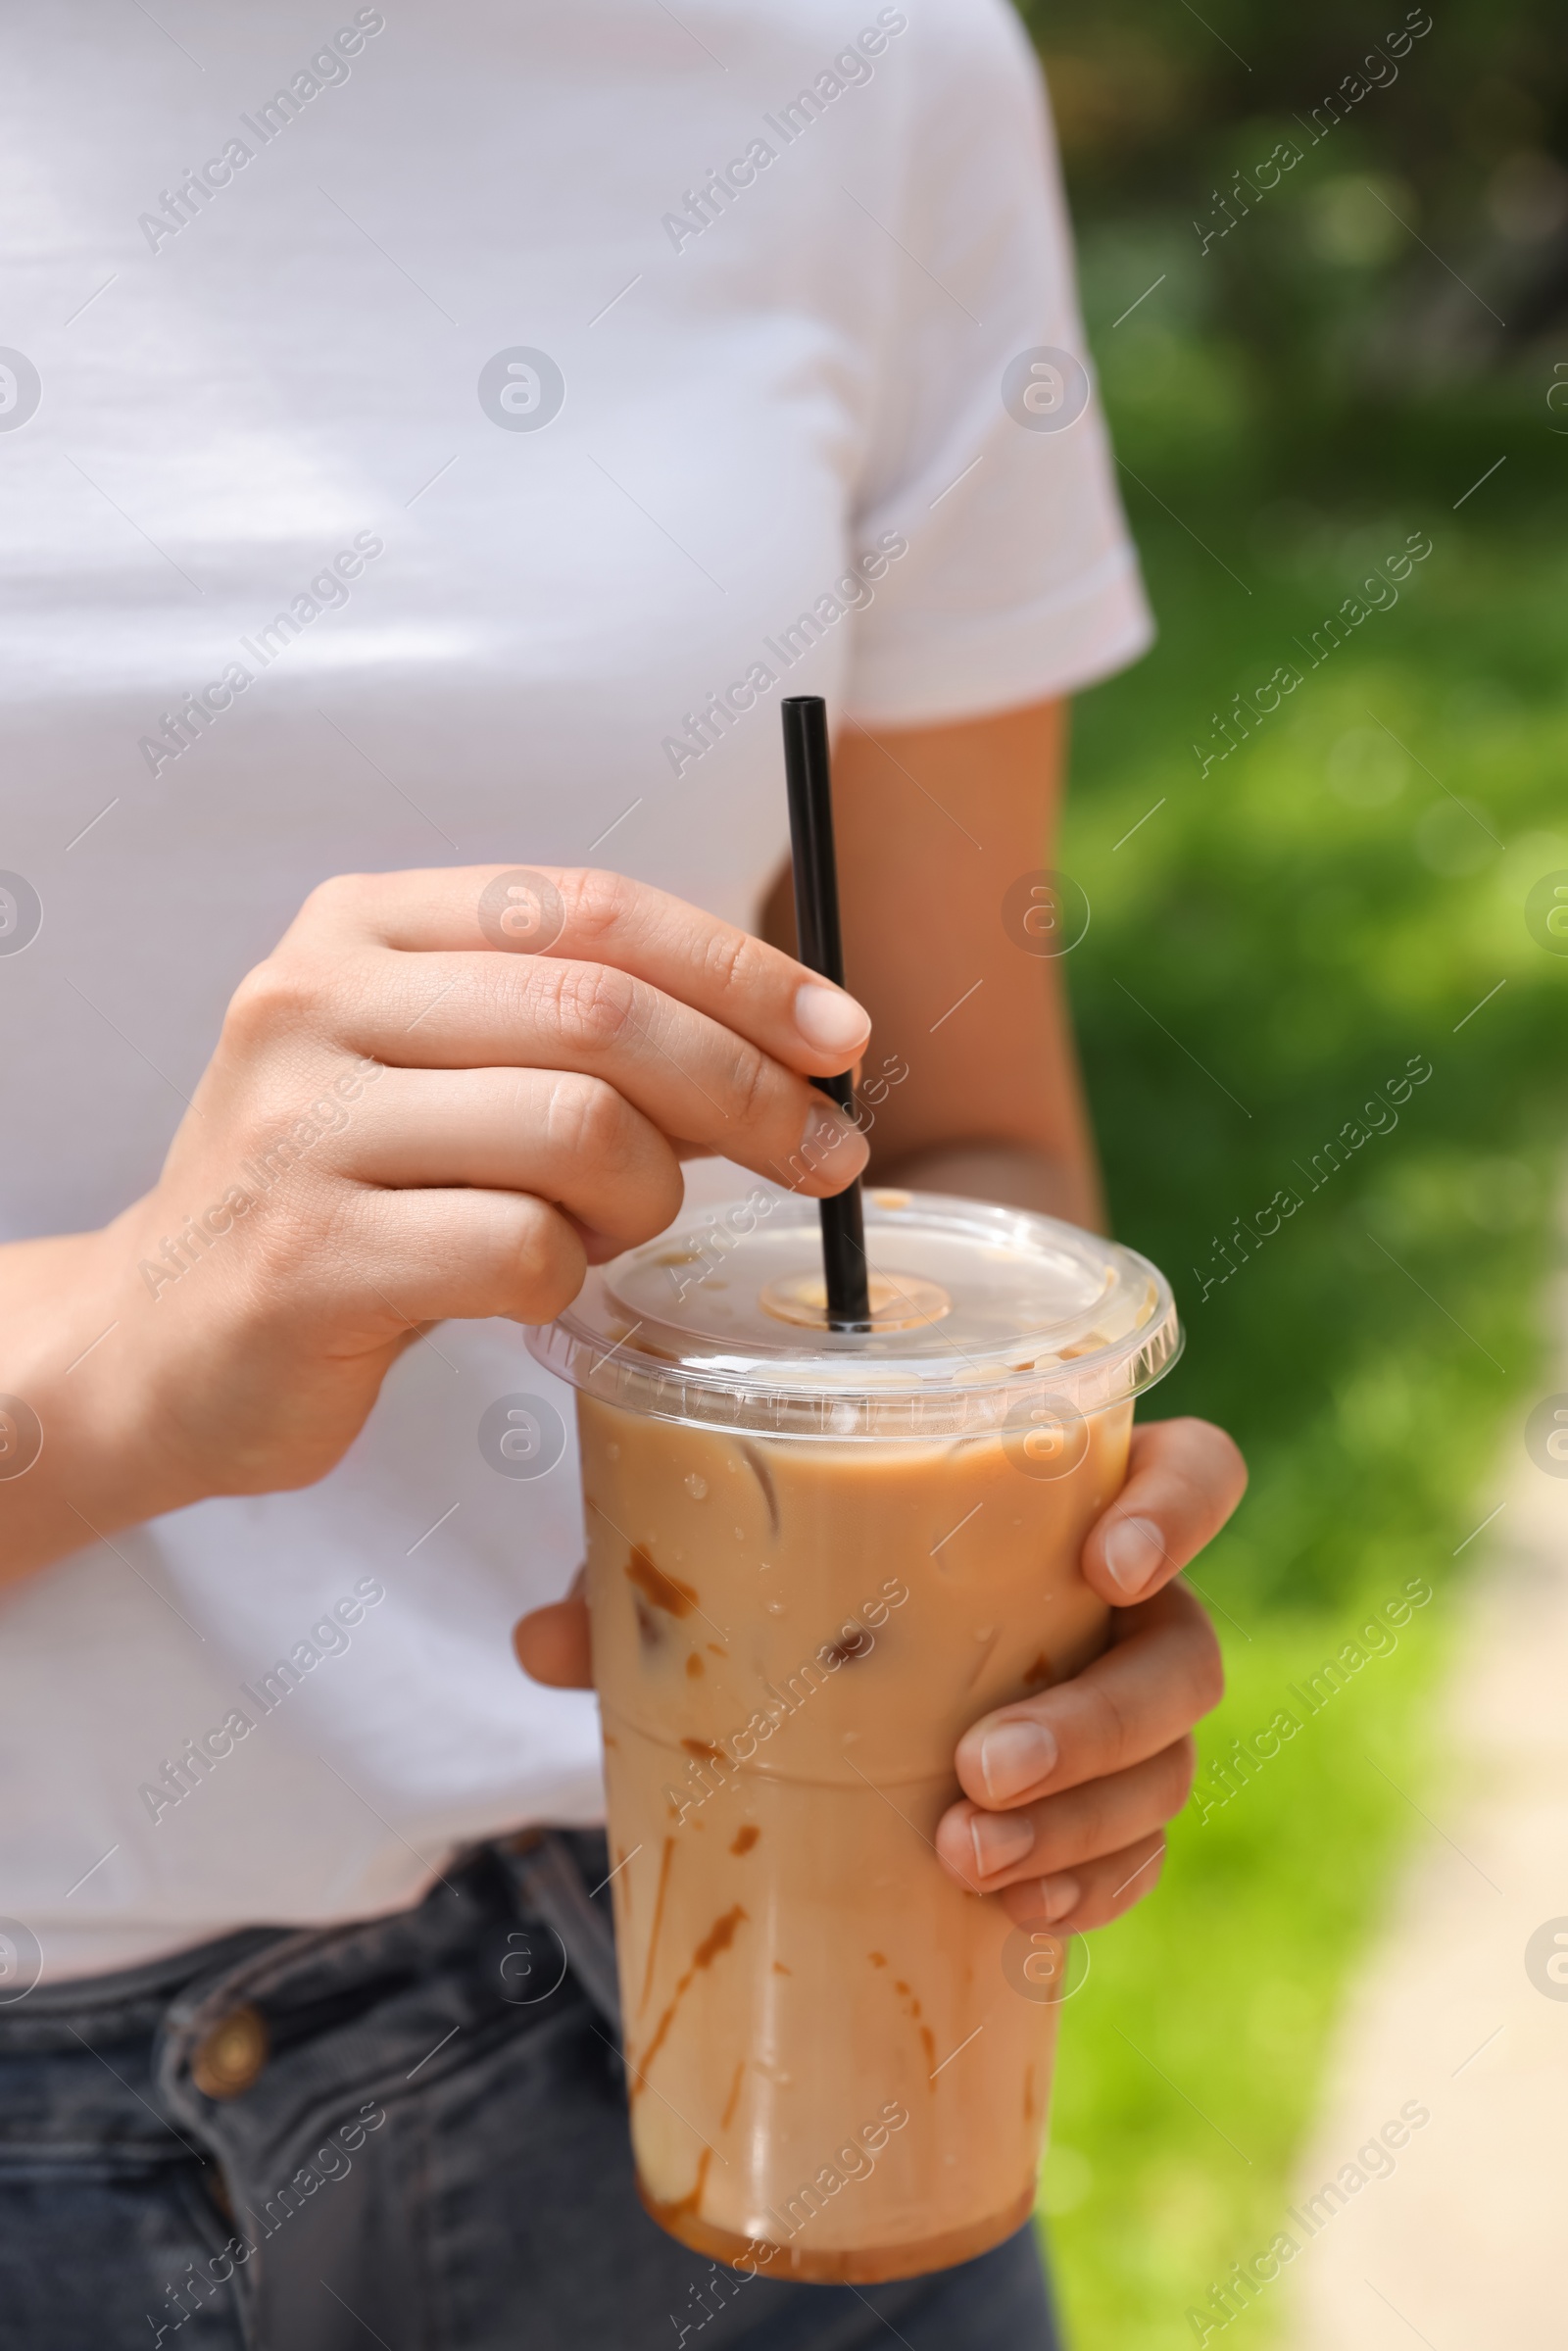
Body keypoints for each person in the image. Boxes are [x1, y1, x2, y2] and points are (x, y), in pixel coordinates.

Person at [0, 2, 1244, 2343]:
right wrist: (131, 1341)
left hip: (759, 2017)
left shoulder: (862, 67)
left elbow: (960, 1150)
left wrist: (1041, 1582)